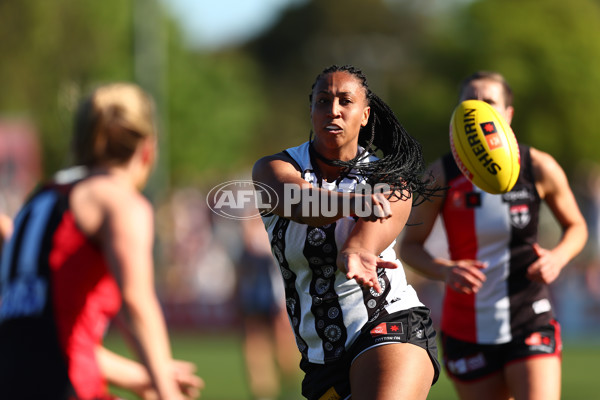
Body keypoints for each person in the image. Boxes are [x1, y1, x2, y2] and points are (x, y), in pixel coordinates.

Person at [0, 83, 203, 399]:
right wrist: (167, 391)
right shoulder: (118, 201)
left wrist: (142, 375)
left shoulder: (40, 199)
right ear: (147, 148)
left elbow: (46, 335)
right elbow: (137, 303)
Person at [252, 64, 440, 400]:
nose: (333, 110)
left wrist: (355, 251)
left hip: (390, 323)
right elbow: (299, 202)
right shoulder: (274, 168)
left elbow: (364, 241)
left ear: (365, 115)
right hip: (321, 357)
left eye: (344, 101)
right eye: (323, 101)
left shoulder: (391, 180)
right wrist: (359, 201)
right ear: (311, 111)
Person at [399, 71, 588, 400]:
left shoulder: (538, 166)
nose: (477, 110)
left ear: (508, 115)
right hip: (466, 327)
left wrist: (558, 257)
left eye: (488, 102)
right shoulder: (438, 176)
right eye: (468, 103)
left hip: (529, 316)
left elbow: (577, 227)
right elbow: (410, 247)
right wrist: (446, 270)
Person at [236, 215, 301, 400]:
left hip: (276, 284)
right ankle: (263, 390)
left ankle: (286, 383)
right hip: (258, 284)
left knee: (283, 339)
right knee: (256, 339)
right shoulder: (254, 219)